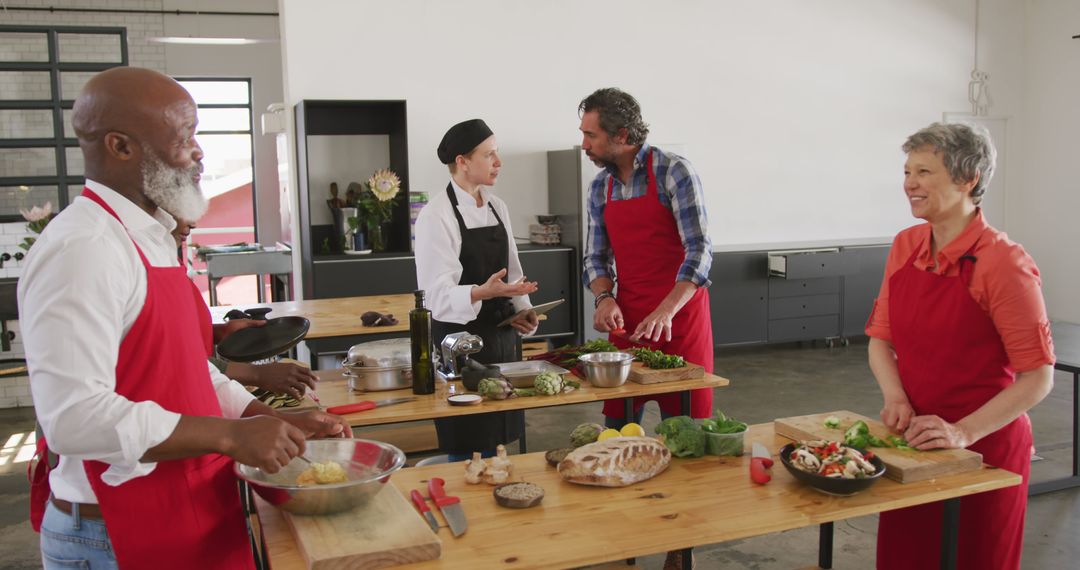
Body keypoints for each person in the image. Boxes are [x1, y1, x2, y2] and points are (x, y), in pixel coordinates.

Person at [19, 67, 352, 570]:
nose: (198, 153)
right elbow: (72, 418)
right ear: (120, 146)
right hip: (114, 533)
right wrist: (230, 436)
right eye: (184, 138)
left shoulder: (149, 238)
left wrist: (269, 419)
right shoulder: (83, 248)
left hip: (182, 508)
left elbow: (188, 370)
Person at [866, 122, 1054, 570]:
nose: (910, 184)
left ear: (968, 179)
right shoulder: (906, 246)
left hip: (984, 450)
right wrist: (896, 397)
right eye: (908, 171)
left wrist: (962, 432)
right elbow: (880, 341)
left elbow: (1038, 378)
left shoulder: (1004, 263)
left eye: (924, 172)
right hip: (913, 443)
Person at [578, 87, 714, 429]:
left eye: (591, 135)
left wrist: (666, 311)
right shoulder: (599, 188)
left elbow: (699, 251)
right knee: (619, 434)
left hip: (680, 321)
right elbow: (595, 257)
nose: (584, 145)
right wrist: (604, 299)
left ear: (622, 135)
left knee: (685, 433)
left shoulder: (674, 172)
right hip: (627, 324)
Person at [414, 118, 538, 462]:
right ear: (462, 161)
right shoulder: (435, 216)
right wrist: (482, 292)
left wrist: (522, 309)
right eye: (489, 154)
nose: (498, 162)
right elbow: (437, 296)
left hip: (501, 340)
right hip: (460, 345)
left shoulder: (499, 207)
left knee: (500, 441)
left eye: (497, 153)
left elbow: (513, 271)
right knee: (467, 441)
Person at [170, 218, 320, 401]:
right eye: (179, 210)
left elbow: (178, 334)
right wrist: (255, 373)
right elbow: (172, 357)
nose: (192, 223)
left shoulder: (169, 258)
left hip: (201, 391)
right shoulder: (139, 265)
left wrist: (218, 332)